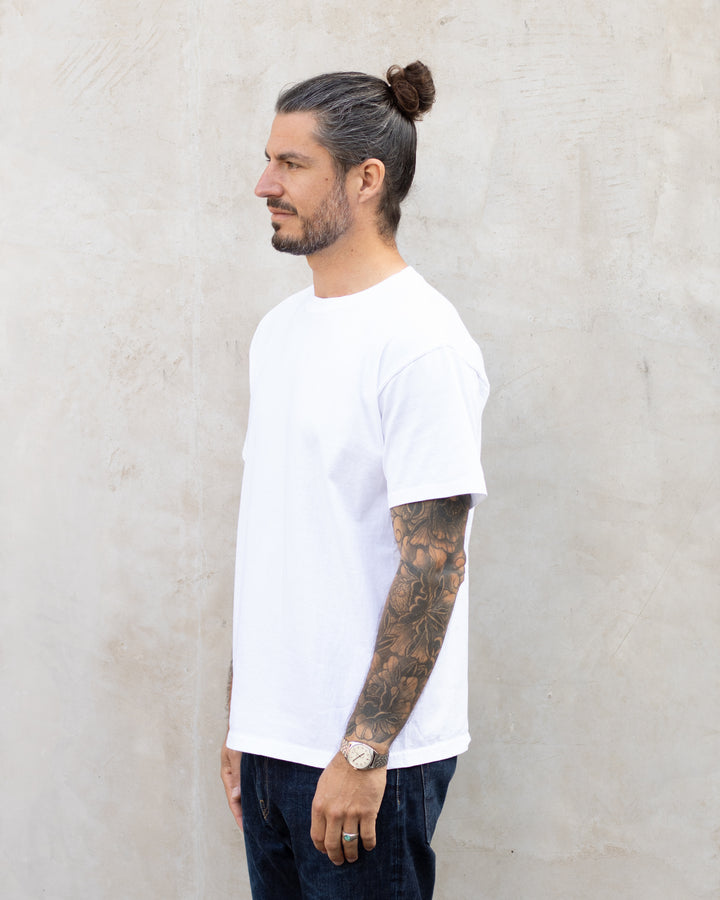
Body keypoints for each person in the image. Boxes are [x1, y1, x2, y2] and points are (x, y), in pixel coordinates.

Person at [221, 60, 489, 900]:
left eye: (292, 164)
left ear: (366, 179)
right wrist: (245, 720)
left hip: (366, 762)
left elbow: (434, 565)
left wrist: (364, 754)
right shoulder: (279, 331)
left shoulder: (419, 342)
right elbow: (278, 533)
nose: (265, 184)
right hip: (274, 745)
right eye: (269, 159)